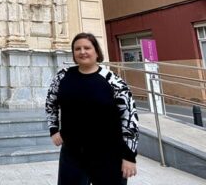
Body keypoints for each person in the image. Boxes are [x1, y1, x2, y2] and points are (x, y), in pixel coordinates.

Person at [45, 32, 139, 185]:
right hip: (73, 153)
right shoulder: (63, 77)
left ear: (96, 52)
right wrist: (54, 129)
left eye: (87, 48)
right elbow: (51, 103)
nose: (82, 52)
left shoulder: (113, 81)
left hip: (108, 153)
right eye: (77, 49)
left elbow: (129, 118)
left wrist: (129, 156)